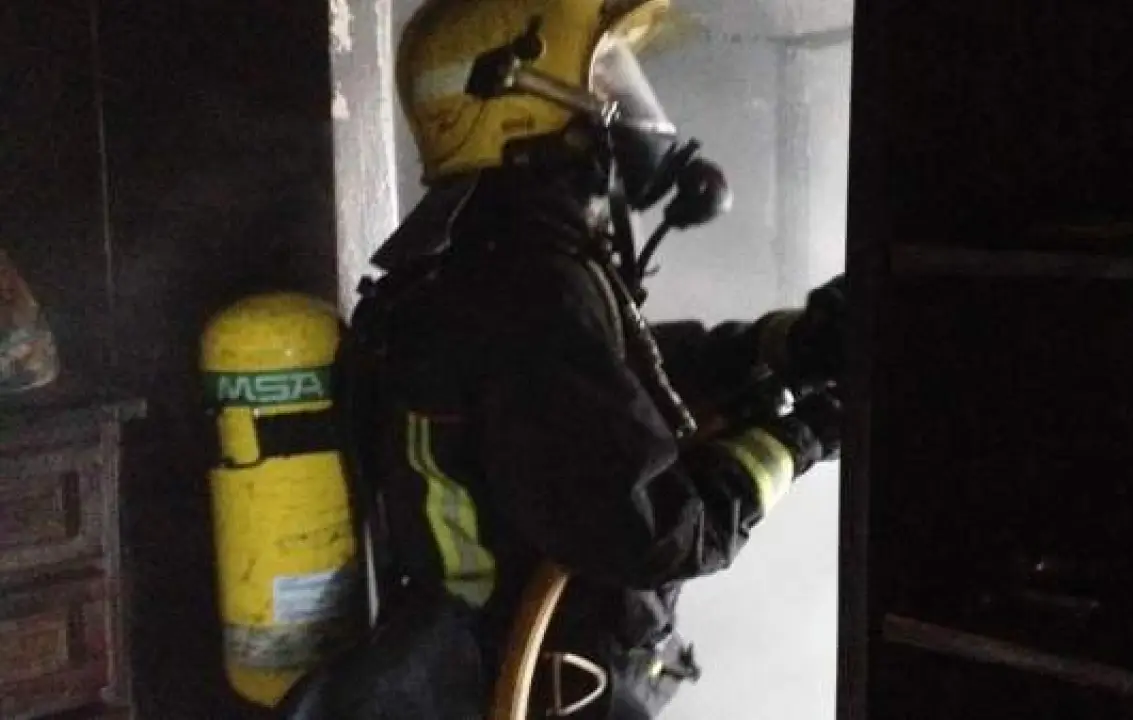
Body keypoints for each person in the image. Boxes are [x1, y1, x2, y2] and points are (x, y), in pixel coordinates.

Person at [277, 0, 848, 717]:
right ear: (516, 98)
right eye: (605, 76)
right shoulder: (524, 292)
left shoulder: (485, 267)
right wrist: (803, 436)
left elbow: (612, 386)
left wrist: (782, 347)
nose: (627, 102)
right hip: (542, 698)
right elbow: (654, 532)